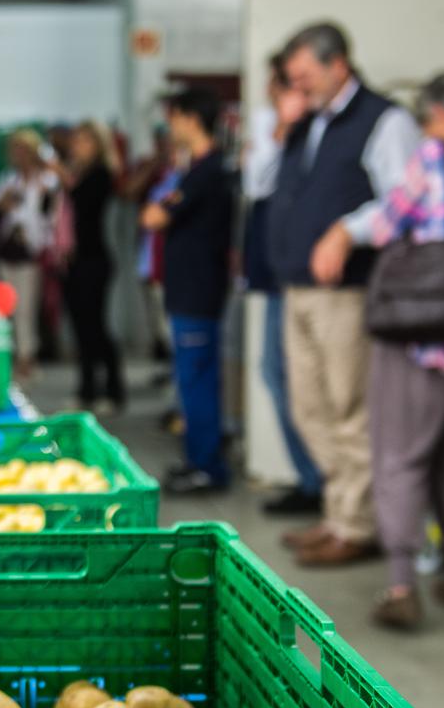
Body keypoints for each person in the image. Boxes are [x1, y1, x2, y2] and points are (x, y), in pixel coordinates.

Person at [311, 74, 444, 629]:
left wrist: (340, 231)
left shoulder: (435, 159)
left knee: (401, 455)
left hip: (429, 333)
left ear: (436, 115)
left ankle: (402, 583)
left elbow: (387, 221)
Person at [266, 22, 420, 566]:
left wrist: (344, 231)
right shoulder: (308, 121)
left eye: (304, 78)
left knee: (350, 409)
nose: (296, 89)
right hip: (299, 287)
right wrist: (282, 132)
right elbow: (264, 188)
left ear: (338, 66)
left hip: (346, 291)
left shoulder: (385, 120)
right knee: (308, 408)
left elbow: (406, 199)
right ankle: (340, 513)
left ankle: (357, 524)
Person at [141, 87, 234, 494]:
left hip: (198, 291)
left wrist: (166, 196)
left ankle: (207, 466)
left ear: (192, 119)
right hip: (188, 289)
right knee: (191, 378)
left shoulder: (207, 171)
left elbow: (154, 217)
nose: (169, 126)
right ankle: (197, 458)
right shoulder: (193, 168)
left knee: (196, 380)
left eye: (174, 117)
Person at [242, 52, 323, 516]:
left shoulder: (321, 127)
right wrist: (277, 131)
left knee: (300, 377)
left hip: (309, 274)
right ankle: (312, 480)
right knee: (277, 373)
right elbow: (258, 185)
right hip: (278, 273)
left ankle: (320, 484)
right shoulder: (273, 127)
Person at [51, 120, 127, 413]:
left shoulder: (101, 175)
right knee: (80, 329)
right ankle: (86, 390)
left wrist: (67, 182)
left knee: (96, 328)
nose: (77, 146)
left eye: (85, 141)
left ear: (98, 145)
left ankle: (113, 389)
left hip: (93, 260)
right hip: (70, 260)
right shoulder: (72, 176)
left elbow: (86, 208)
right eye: (76, 140)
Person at [0, 129, 60, 380]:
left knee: (26, 308)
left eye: (24, 150)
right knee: (8, 309)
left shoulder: (46, 180)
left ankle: (28, 357)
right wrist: (1, 205)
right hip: (7, 250)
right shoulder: (8, 180)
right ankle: (16, 355)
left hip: (30, 252)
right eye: (15, 150)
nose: (19, 156)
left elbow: (51, 217)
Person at [123, 124, 176, 365]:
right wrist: (154, 164)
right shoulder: (154, 170)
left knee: (172, 322)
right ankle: (169, 369)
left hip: (170, 258)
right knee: (158, 319)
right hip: (150, 255)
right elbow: (129, 191)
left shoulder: (184, 173)